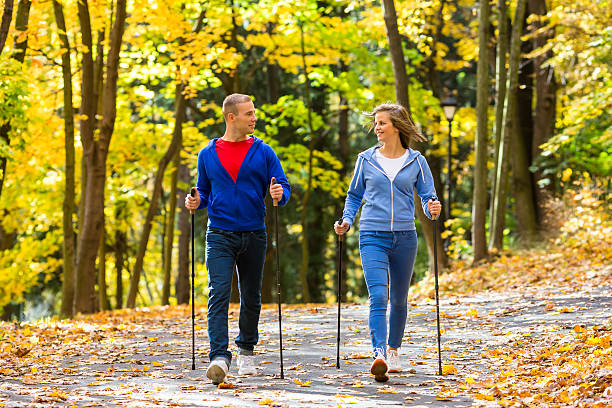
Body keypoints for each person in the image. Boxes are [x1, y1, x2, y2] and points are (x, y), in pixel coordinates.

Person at [185, 93, 290, 385]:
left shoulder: (264, 151)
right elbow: (203, 192)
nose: (254, 118)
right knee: (217, 292)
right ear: (232, 117)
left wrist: (279, 194)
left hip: (255, 233)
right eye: (249, 114)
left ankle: (246, 349)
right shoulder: (207, 154)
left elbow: (282, 184)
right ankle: (219, 356)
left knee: (251, 295)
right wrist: (195, 202)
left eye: (253, 113)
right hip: (219, 233)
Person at [334, 103, 441, 382]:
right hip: (372, 235)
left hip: (405, 237)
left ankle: (394, 350)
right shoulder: (366, 159)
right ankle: (378, 353)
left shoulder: (416, 161)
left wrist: (433, 207)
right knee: (379, 296)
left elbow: (428, 195)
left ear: (397, 126)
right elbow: (354, 194)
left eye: (382, 123)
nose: (377, 128)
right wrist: (347, 219)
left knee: (400, 300)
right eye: (376, 123)